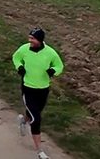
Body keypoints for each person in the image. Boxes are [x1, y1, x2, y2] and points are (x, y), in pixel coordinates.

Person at [12, 28, 64, 159]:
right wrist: (19, 67)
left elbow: (59, 66)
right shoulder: (24, 49)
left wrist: (53, 71)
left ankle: (23, 120)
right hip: (28, 88)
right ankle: (40, 151)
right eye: (29, 38)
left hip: (43, 89)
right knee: (36, 119)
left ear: (40, 40)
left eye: (32, 39)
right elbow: (16, 57)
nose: (30, 41)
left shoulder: (50, 52)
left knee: (33, 114)